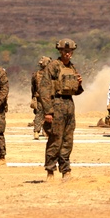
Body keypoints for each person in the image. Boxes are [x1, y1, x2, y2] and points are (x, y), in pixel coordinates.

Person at [39, 39, 84, 182]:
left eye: (70, 51)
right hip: (56, 104)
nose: (68, 54)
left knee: (67, 140)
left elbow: (76, 91)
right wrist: (48, 111)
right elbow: (44, 89)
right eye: (65, 51)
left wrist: (79, 84)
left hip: (69, 104)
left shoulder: (72, 68)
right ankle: (50, 171)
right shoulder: (53, 67)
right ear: (60, 51)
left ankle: (66, 170)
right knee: (55, 139)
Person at [30, 56, 50, 140]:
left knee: (39, 114)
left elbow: (33, 88)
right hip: (49, 98)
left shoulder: (36, 74)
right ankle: (46, 131)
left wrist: (34, 97)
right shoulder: (51, 75)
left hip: (39, 98)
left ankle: (36, 132)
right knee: (49, 114)